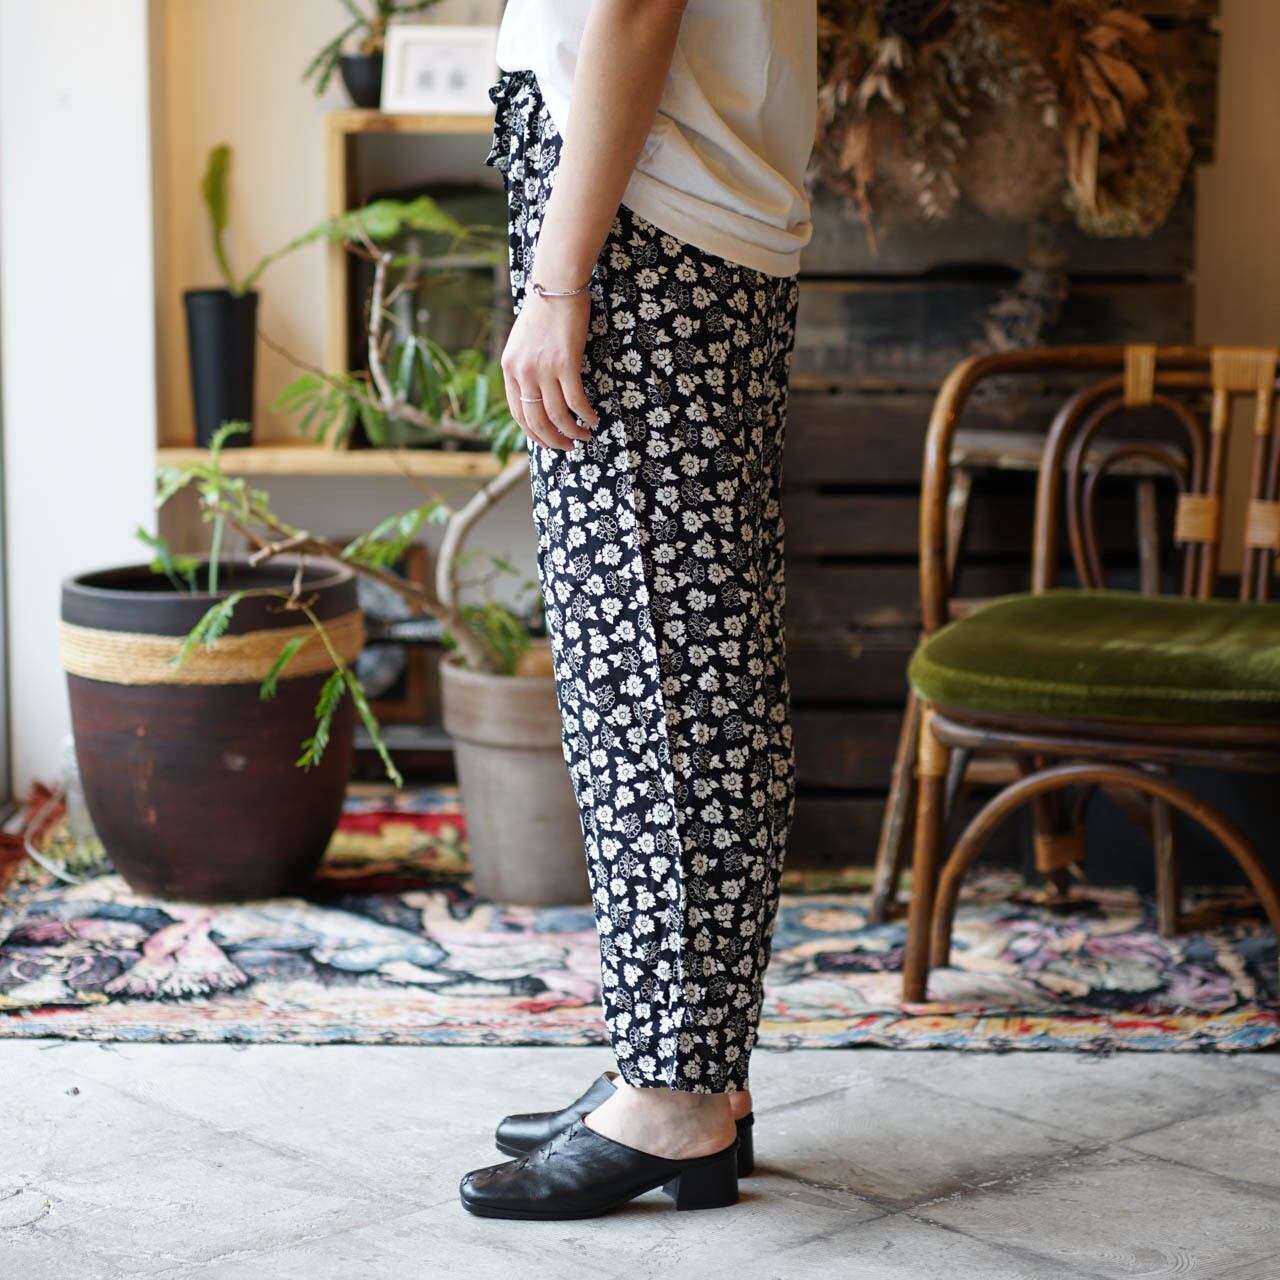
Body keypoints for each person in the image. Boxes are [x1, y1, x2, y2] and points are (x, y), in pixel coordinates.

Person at [460, 0, 816, 1220]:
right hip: (662, 199)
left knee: (663, 666)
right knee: (673, 649)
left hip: (642, 218)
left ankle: (676, 1091)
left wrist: (561, 276)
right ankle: (682, 1065)